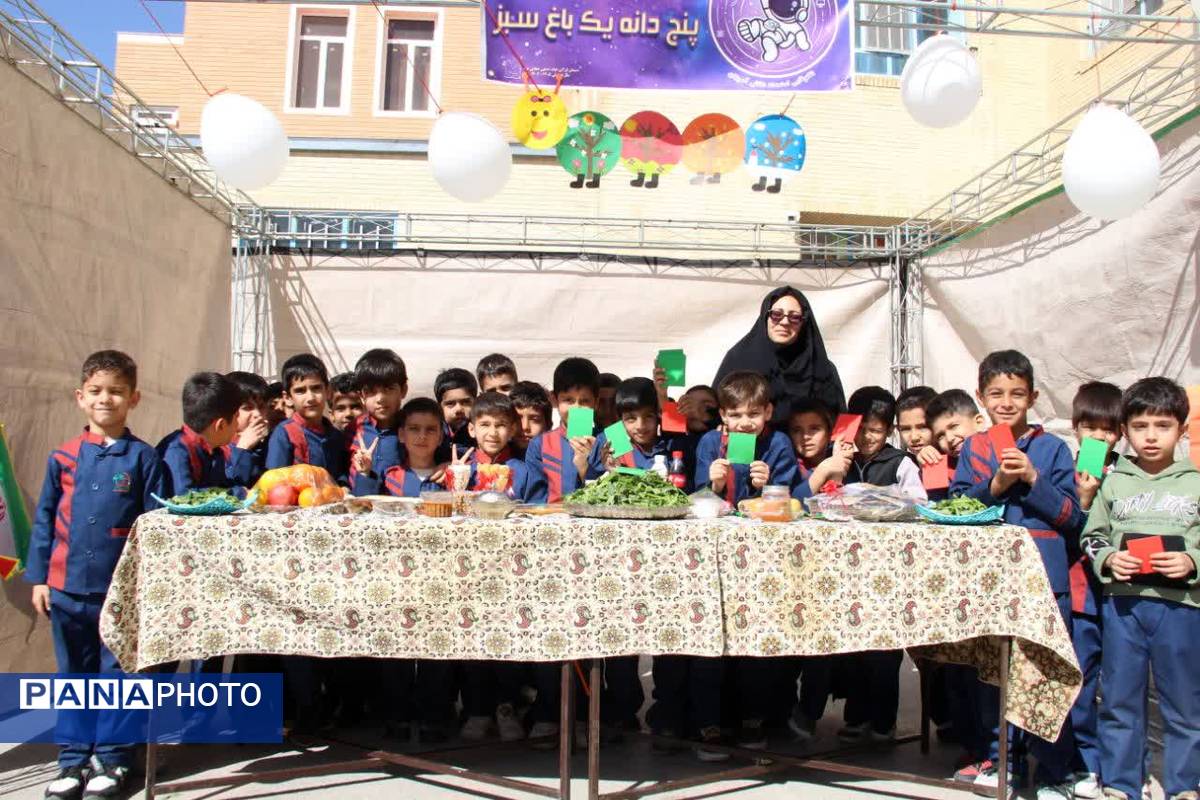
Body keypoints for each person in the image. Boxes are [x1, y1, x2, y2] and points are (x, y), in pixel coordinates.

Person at [27, 350, 164, 800]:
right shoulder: (61, 458)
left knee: (120, 676)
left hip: (119, 592)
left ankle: (113, 757)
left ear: (134, 398)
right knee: (74, 675)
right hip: (66, 590)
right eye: (97, 392)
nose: (107, 400)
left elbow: (153, 525)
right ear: (81, 398)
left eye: (117, 392)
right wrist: (41, 579)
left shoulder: (143, 459)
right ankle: (71, 760)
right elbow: (45, 520)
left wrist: (148, 587)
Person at [950, 350, 1084, 799]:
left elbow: (1072, 518)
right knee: (995, 672)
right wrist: (994, 488)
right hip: (991, 581)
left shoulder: (1052, 449)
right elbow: (959, 508)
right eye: (996, 394)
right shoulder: (974, 447)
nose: (1006, 403)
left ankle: (1053, 769)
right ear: (980, 398)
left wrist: (1032, 480)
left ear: (1034, 396)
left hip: (1046, 579)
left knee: (1045, 669)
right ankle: (1000, 758)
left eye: (1017, 394)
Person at [1079, 377, 1200, 800]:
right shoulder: (1113, 481)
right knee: (1119, 700)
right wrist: (1109, 558)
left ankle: (1185, 784)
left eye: (1163, 425)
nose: (1151, 436)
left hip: (1181, 609)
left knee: (1183, 703)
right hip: (1124, 608)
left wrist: (1191, 561)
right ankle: (1120, 783)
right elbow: (1093, 536)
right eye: (1141, 425)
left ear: (1182, 430)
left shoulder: (1195, 482)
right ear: (1124, 431)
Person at [694, 370, 798, 755]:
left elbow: (790, 502)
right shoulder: (709, 443)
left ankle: (754, 718)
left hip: (761, 559)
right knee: (712, 637)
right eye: (736, 415)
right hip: (715, 556)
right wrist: (714, 483)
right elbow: (696, 498)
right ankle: (709, 722)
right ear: (723, 415)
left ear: (768, 411)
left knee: (755, 636)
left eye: (753, 414)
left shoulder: (779, 444)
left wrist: (768, 485)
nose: (745, 423)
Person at [836, 386, 927, 746]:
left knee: (885, 650)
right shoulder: (842, 457)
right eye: (862, 428)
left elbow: (918, 504)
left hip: (887, 570)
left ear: (888, 430)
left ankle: (884, 721)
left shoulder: (900, 462)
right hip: (847, 569)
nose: (868, 437)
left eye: (876, 430)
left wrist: (882, 499)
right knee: (853, 647)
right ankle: (855, 716)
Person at [458, 392, 545, 742]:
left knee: (508, 641)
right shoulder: (460, 469)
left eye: (501, 425)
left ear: (513, 429)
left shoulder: (525, 471)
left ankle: (507, 707)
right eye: (485, 425)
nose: (492, 432)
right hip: (466, 573)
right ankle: (477, 709)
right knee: (470, 642)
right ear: (471, 428)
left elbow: (538, 516)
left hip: (512, 573)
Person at [1068, 380, 1123, 800]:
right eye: (1092, 428)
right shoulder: (1064, 470)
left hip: (1125, 596)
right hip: (1083, 594)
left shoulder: (1131, 472)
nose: (1101, 437)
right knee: (1083, 681)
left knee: (1121, 684)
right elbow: (1066, 533)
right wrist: (1084, 499)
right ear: (1076, 429)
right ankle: (1086, 763)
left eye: (1110, 429)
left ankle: (1122, 765)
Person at [713, 286, 845, 426]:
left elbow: (840, 421)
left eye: (794, 317)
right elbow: (716, 413)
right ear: (765, 316)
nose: (784, 322)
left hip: (805, 446)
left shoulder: (820, 367)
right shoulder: (739, 359)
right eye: (776, 314)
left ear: (804, 322)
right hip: (745, 444)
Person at [524, 358, 601, 503]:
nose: (576, 409)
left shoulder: (612, 438)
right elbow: (535, 501)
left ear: (596, 403)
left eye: (585, 401)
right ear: (554, 400)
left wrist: (585, 468)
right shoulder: (539, 444)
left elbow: (624, 491)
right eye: (568, 400)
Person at [155, 372, 243, 496]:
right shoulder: (176, 451)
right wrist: (237, 494)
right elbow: (184, 497)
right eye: (236, 417)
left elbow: (221, 486)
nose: (237, 425)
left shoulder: (216, 450)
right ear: (221, 425)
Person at [265, 354, 348, 485]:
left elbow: (341, 475)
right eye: (300, 391)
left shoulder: (335, 436)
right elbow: (275, 482)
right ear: (288, 398)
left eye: (316, 388)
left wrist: (344, 487)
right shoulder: (284, 434)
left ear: (327, 390)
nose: (310, 398)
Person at [349, 349, 407, 497]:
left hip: (402, 509)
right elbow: (342, 469)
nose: (380, 398)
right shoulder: (354, 429)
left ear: (403, 390)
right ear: (361, 396)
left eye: (388, 389)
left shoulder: (413, 428)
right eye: (371, 391)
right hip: (362, 507)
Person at [788, 398, 853, 501]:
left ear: (829, 432)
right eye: (797, 430)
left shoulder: (844, 459)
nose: (805, 436)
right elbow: (793, 503)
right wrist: (824, 470)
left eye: (814, 429)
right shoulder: (790, 466)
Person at [225, 371, 271, 487]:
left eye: (261, 406)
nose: (257, 414)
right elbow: (230, 489)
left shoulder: (272, 441)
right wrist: (243, 448)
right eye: (247, 408)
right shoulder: (219, 448)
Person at [435, 367, 478, 450]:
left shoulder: (481, 434)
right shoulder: (434, 435)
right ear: (439, 407)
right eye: (450, 403)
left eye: (465, 402)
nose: (458, 409)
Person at [896, 385, 941, 464]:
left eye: (923, 427)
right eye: (906, 429)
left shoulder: (957, 462)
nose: (914, 437)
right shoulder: (901, 466)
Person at [510, 380, 552, 457]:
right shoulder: (496, 463)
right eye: (517, 418)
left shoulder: (559, 459)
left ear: (548, 424)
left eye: (535, 420)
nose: (525, 427)